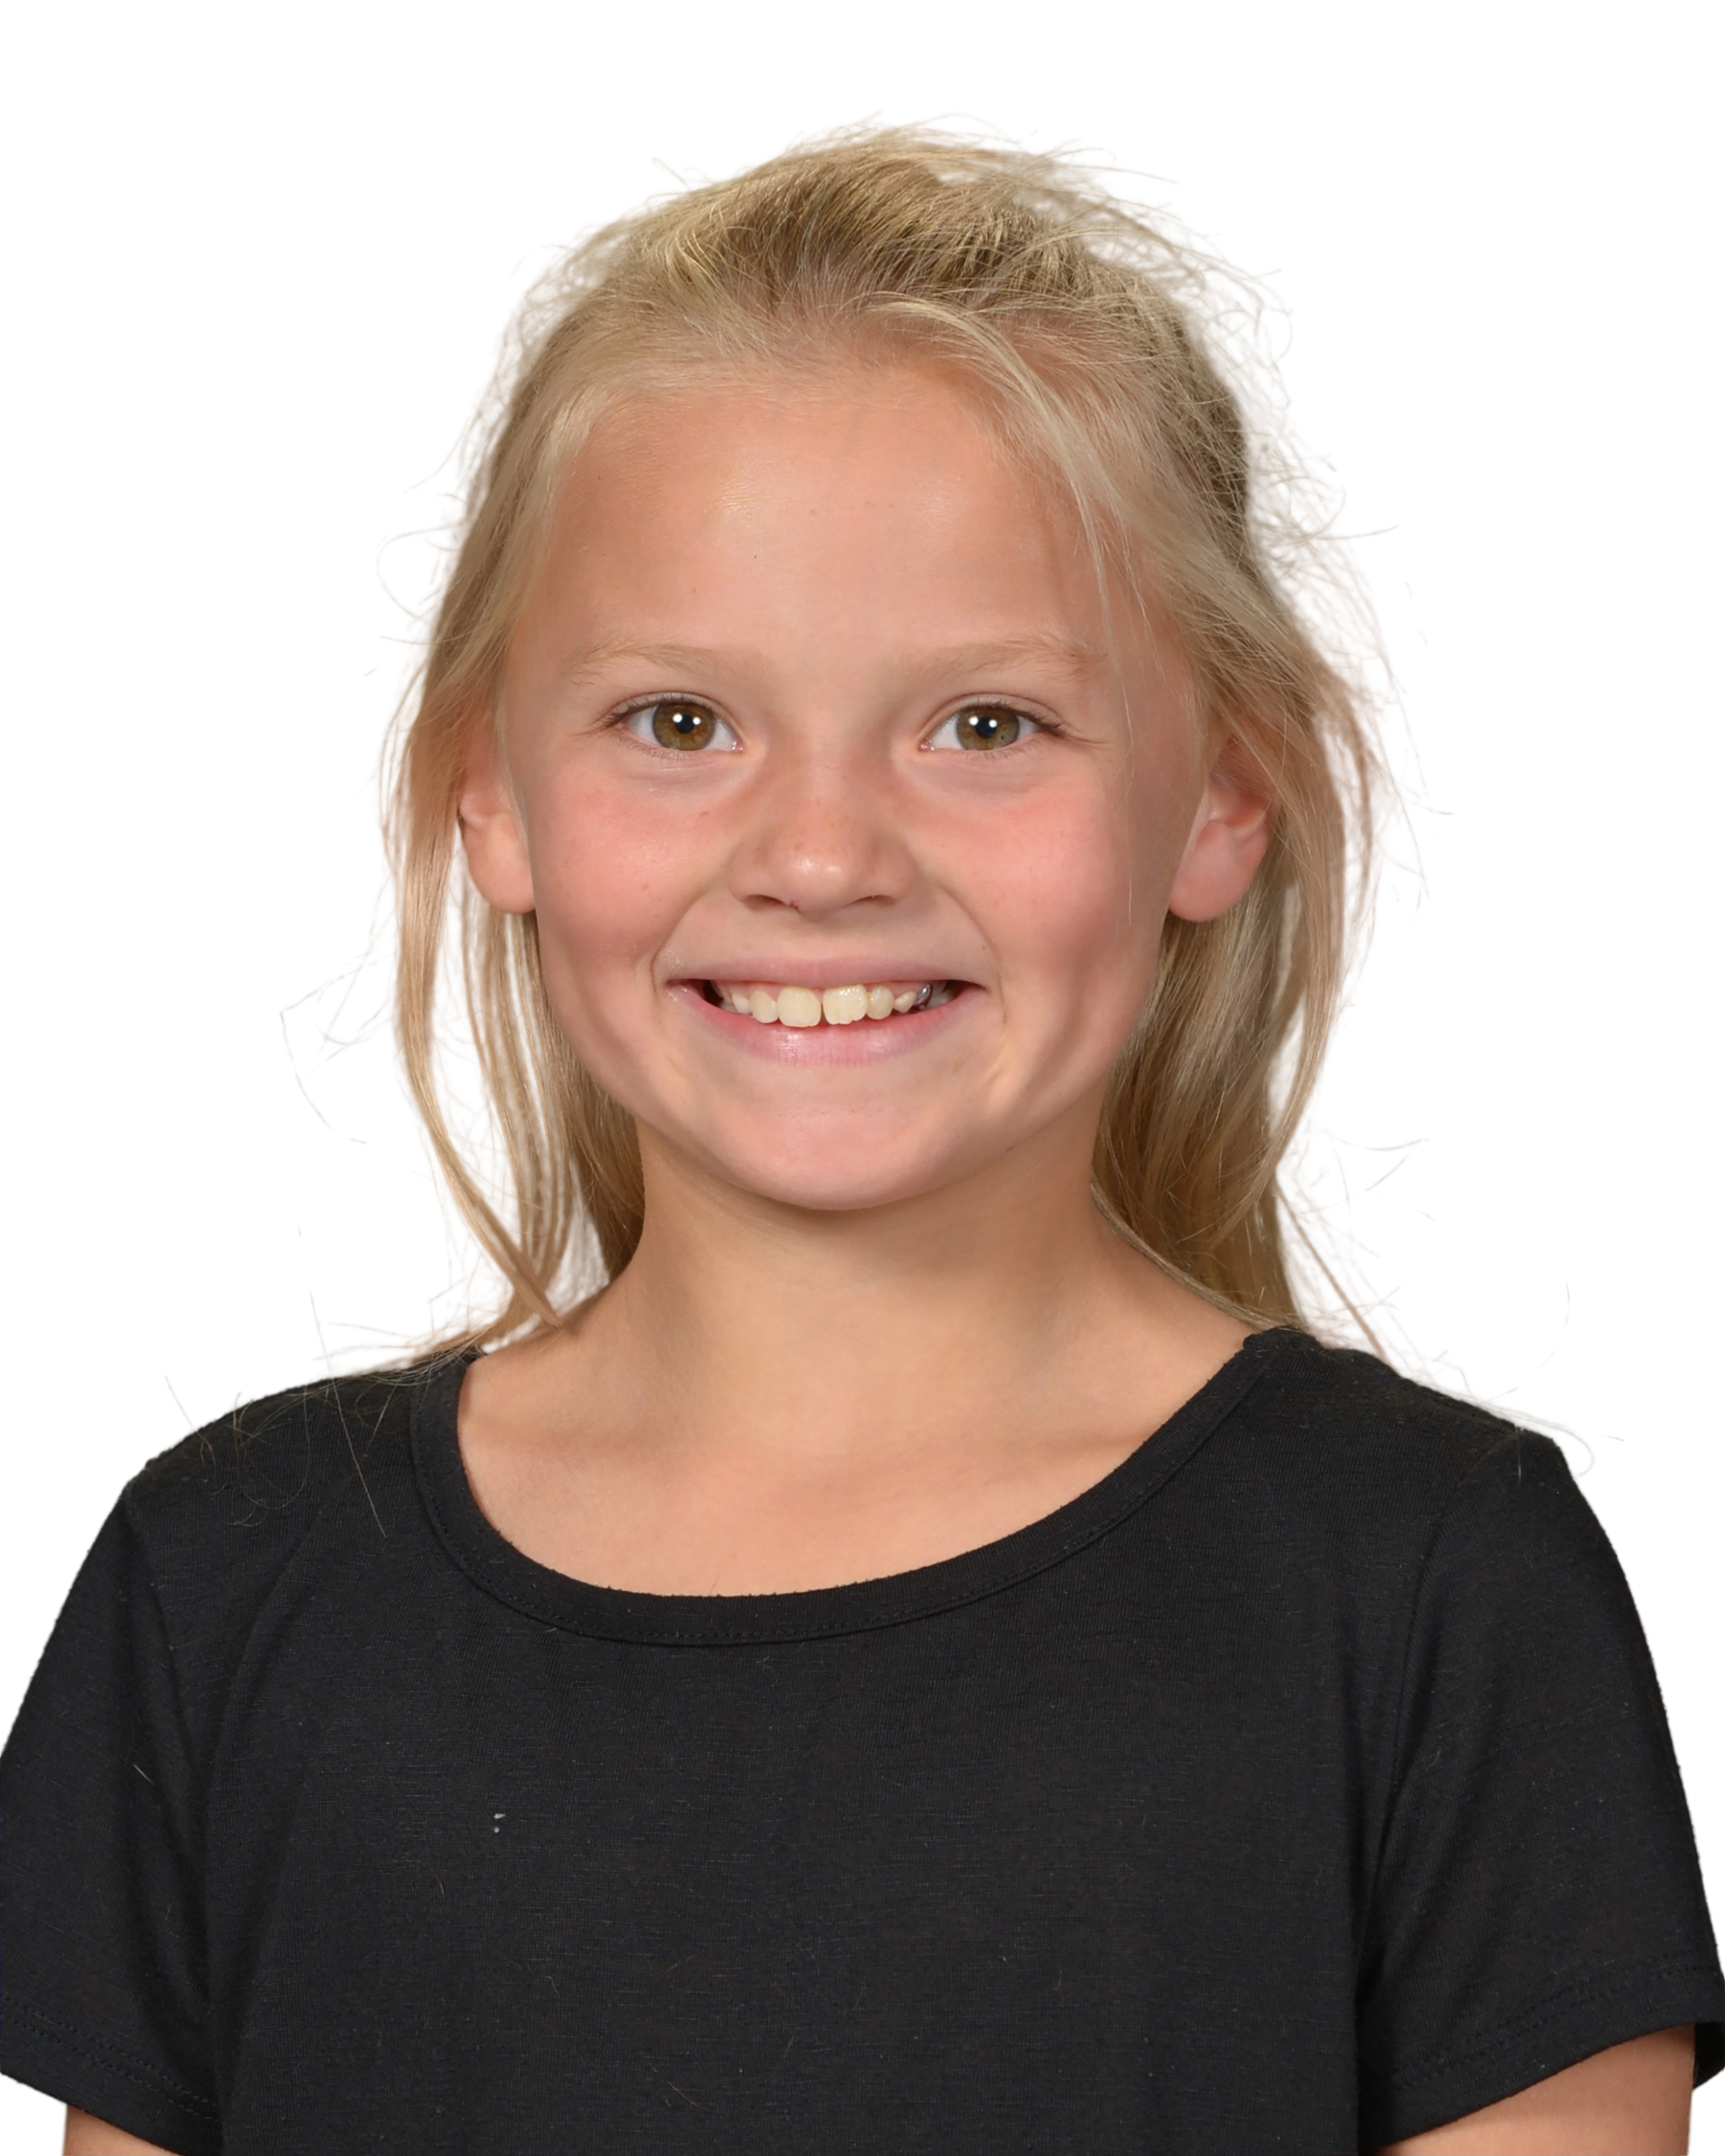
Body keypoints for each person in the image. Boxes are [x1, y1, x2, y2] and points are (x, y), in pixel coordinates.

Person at [5, 110, 1720, 2155]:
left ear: (1220, 796)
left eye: (986, 724)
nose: (819, 858)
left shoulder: (1442, 1597)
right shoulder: (219, 1591)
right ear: (486, 792)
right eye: (680, 723)